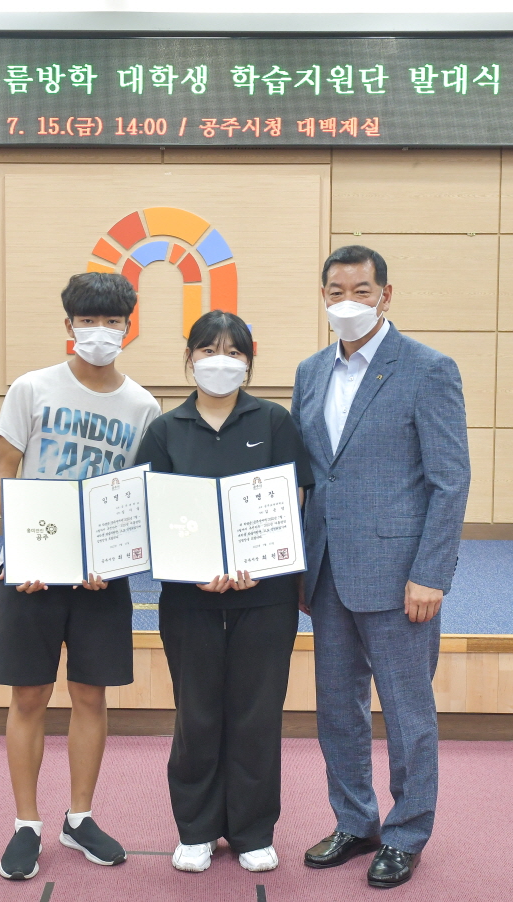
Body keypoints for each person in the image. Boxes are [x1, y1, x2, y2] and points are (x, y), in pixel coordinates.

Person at [290, 246, 470, 889]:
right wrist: (296, 564)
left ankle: (407, 833)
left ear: (385, 295)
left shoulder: (427, 369)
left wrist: (433, 573)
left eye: (361, 291)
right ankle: (354, 821)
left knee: (406, 712)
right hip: (326, 571)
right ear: (323, 296)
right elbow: (309, 477)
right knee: (337, 709)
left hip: (400, 576)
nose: (348, 303)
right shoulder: (310, 372)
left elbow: (450, 481)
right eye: (336, 291)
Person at [0, 272, 162, 881]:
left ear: (128, 328)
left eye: (112, 321)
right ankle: (26, 824)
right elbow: (5, 469)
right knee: (29, 696)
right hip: (31, 574)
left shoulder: (143, 406)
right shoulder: (31, 388)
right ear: (69, 326)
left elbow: (137, 495)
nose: (100, 331)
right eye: (88, 321)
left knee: (91, 695)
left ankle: (80, 817)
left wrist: (113, 560)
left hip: (100, 577)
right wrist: (23, 553)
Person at [134, 310, 314, 875]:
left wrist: (263, 561)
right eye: (208, 350)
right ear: (189, 359)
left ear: (249, 362)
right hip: (190, 599)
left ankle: (253, 831)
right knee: (198, 714)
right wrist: (193, 568)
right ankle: (196, 830)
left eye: (234, 352)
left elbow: (294, 499)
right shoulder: (166, 429)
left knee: (257, 714)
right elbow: (153, 511)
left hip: (266, 597)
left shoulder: (275, 421)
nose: (221, 361)